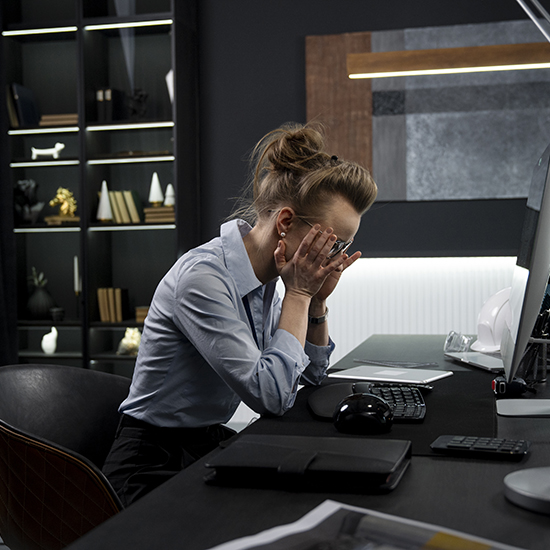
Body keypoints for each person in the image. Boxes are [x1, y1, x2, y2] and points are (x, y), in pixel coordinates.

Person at [102, 122, 378, 506]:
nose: (334, 258)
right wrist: (298, 294)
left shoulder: (265, 279)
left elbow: (312, 376)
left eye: (344, 246)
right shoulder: (202, 279)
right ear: (285, 223)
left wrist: (315, 304)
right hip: (150, 461)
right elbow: (272, 395)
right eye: (332, 243)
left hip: (204, 443)